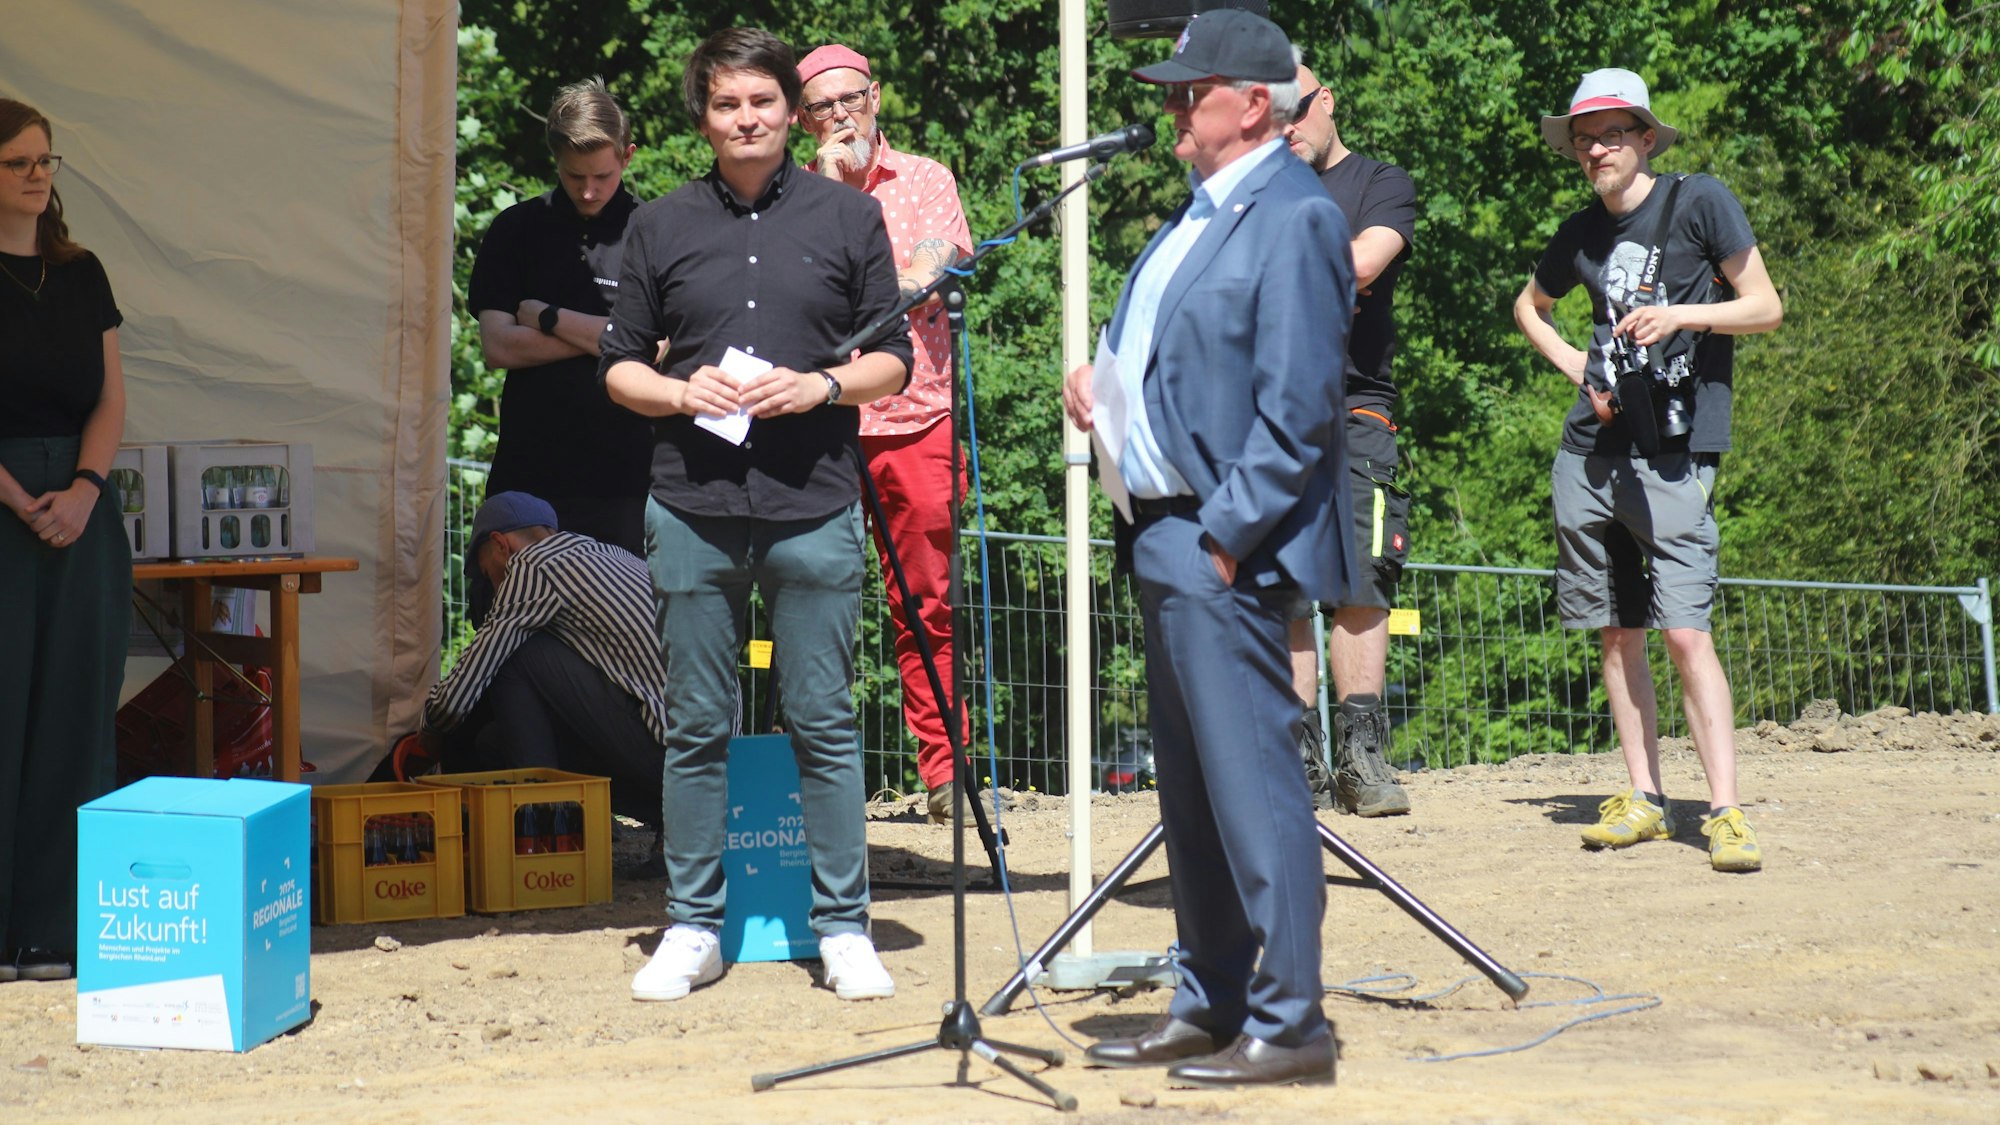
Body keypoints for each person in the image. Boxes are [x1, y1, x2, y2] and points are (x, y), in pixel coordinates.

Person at [1061, 11, 1349, 1088]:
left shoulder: (1295, 217)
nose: (1175, 105)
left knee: (1254, 785)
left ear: (1255, 105)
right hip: (1161, 532)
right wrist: (1101, 386)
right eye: (1174, 90)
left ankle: (1293, 1022)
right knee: (1188, 793)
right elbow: (1172, 359)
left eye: (1194, 89)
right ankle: (1211, 998)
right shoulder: (1196, 214)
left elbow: (1300, 406)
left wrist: (1226, 539)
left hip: (1221, 541)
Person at [599, 28, 913, 1003]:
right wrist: (676, 394)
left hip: (813, 503)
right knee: (695, 725)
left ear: (793, 113)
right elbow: (615, 368)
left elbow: (892, 362)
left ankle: (844, 927)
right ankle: (692, 924)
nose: (748, 119)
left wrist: (819, 387)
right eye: (728, 105)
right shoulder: (655, 225)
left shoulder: (848, 220)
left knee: (823, 718)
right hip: (690, 505)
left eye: (764, 103)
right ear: (704, 117)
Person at [1511, 68, 1782, 873]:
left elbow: (1766, 306)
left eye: (1612, 133)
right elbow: (1529, 305)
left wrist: (1681, 314)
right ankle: (1645, 797)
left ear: (1645, 138)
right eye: (1584, 138)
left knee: (1684, 631)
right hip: (1590, 453)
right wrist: (1578, 371)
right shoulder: (1577, 231)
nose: (1596, 148)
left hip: (1674, 450)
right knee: (1617, 630)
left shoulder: (1700, 200)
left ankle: (1727, 810)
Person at [795, 44, 975, 826]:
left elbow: (927, 274)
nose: (841, 116)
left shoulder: (929, 180)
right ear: (803, 120)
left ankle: (945, 772)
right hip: (820, 422)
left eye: (852, 99)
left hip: (914, 418)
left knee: (926, 602)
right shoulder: (791, 193)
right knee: (811, 602)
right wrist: (828, 192)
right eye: (823, 107)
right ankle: (815, 779)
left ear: (878, 96)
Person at [0, 99, 130, 984]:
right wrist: (16, 497)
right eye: (18, 163)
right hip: (4, 501)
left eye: (46, 160)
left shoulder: (81, 272)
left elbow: (110, 399)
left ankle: (54, 926)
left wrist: (82, 492)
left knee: (74, 714)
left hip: (80, 508)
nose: (39, 175)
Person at [1280, 60, 1417, 817]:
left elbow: (1366, 260)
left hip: (1358, 411)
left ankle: (1362, 755)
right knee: (1289, 591)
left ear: (1326, 101)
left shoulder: (1380, 183)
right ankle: (1300, 758)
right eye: (1268, 118)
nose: (1285, 129)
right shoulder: (1259, 187)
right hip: (1273, 415)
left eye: (1295, 112)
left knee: (1363, 584)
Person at [467, 78, 653, 603]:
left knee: (623, 632)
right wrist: (613, 336)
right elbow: (498, 346)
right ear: (554, 158)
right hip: (529, 477)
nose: (589, 190)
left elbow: (661, 351)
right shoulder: (516, 229)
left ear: (628, 155)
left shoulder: (654, 233)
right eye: (575, 177)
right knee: (510, 624)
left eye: (603, 176)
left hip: (626, 483)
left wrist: (548, 317)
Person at [418, 491, 667, 823]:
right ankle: (587, 825)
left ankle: (545, 824)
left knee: (516, 651)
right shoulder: (612, 555)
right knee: (495, 743)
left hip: (667, 759)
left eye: (488, 572)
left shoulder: (534, 565)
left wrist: (429, 733)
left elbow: (457, 697)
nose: (494, 587)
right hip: (713, 768)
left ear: (500, 545)